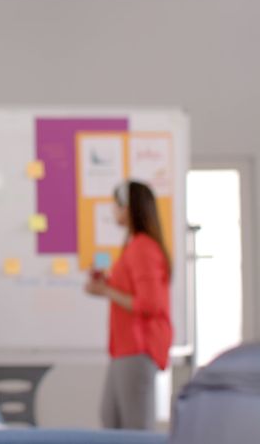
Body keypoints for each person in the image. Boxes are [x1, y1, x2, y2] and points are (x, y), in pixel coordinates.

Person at [85, 180, 173, 430]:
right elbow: (129, 293)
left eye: (117, 205)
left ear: (128, 208)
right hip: (124, 348)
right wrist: (103, 286)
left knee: (135, 428)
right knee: (110, 418)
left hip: (138, 346)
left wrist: (106, 290)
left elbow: (150, 303)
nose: (113, 210)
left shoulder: (143, 248)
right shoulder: (133, 247)